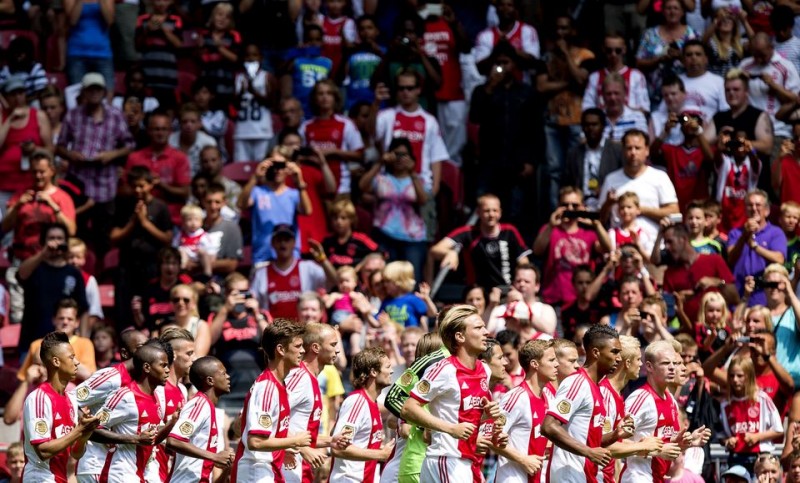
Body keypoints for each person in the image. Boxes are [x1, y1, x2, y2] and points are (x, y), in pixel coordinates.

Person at [401, 304, 501, 482]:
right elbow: (408, 408)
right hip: (445, 459)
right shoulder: (444, 369)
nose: (486, 332)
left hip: (465, 461)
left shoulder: (484, 370)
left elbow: (468, 416)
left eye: (484, 326)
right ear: (460, 336)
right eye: (478, 327)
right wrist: (450, 428)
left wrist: (487, 416)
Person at [56, 73, 135, 254]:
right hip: (79, 183)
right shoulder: (73, 115)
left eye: (97, 89)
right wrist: (70, 154)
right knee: (77, 232)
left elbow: (129, 144)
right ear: (83, 92)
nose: (94, 93)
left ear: (104, 92)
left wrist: (112, 154)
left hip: (105, 184)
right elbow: (59, 147)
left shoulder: (115, 116)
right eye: (90, 89)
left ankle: (101, 275)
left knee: (103, 236)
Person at [231, 320, 312, 481]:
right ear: (280, 349)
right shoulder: (267, 387)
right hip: (255, 471)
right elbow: (255, 441)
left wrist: (285, 447)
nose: (303, 351)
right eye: (298, 346)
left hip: (267, 469)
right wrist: (294, 441)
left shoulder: (279, 385)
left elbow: (270, 433)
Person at [468, 40, 538, 224]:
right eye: (497, 63)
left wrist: (531, 160)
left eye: (505, 62)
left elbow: (534, 129)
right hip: (489, 161)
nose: (501, 67)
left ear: (514, 64)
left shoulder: (526, 92)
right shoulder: (481, 91)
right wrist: (490, 88)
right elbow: (475, 117)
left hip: (517, 163)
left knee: (515, 213)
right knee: (484, 210)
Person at [621, 340, 712, 482]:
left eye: (673, 364)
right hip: (637, 477)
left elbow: (667, 444)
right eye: (665, 363)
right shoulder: (640, 398)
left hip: (658, 477)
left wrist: (689, 442)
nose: (672, 368)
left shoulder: (671, 401)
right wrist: (656, 451)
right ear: (649, 367)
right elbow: (616, 442)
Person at [541, 324, 620, 482]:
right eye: (614, 352)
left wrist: (615, 435)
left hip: (585, 474)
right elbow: (548, 426)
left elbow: (587, 439)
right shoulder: (577, 383)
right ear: (596, 352)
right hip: (569, 475)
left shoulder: (596, 388)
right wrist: (589, 452)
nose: (618, 358)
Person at [22, 331, 100, 482]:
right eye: (71, 357)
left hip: (61, 478)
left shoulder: (71, 399)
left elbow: (75, 454)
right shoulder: (39, 398)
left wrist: (84, 436)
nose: (77, 362)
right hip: (40, 478)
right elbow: (43, 451)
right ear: (56, 362)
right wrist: (78, 430)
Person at [95, 340, 178, 482]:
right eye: (163, 365)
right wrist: (135, 439)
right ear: (147, 367)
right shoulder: (126, 396)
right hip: (120, 474)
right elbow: (92, 430)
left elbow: (150, 441)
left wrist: (172, 423)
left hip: (139, 474)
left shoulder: (156, 397)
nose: (167, 370)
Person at [73, 329, 148, 482]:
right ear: (125, 353)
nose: (148, 352)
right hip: (96, 463)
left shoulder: (141, 382)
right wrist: (89, 425)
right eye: (141, 347)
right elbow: (69, 400)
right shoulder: (111, 377)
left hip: (119, 466)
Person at [537, 15, 595, 209]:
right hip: (552, 119)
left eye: (565, 28)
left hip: (576, 119)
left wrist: (566, 55)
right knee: (553, 170)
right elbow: (541, 87)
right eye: (558, 29)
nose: (561, 33)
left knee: (575, 169)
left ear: (573, 31)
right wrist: (568, 84)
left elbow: (581, 80)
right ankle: (557, 212)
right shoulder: (546, 56)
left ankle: (577, 210)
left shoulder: (586, 55)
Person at [284, 322, 350, 483]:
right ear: (315, 347)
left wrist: (330, 440)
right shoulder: (299, 377)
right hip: (284, 466)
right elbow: (274, 418)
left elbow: (301, 432)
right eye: (333, 344)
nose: (338, 350)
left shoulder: (312, 379)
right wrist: (303, 448)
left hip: (300, 467)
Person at [599, 129, 680, 249]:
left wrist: (640, 210)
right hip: (619, 249)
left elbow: (674, 212)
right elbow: (600, 219)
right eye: (629, 148)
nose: (633, 152)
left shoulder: (659, 177)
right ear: (622, 150)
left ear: (647, 150)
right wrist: (608, 204)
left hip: (653, 249)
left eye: (637, 148)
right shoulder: (611, 179)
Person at [359, 138, 428, 279]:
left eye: (404, 155)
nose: (400, 159)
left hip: (412, 238)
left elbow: (423, 200)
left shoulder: (419, 180)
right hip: (384, 234)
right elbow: (362, 186)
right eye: (396, 154)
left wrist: (412, 172)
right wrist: (380, 163)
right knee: (385, 277)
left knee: (411, 279)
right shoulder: (382, 179)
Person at [430, 194, 531, 289]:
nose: (491, 214)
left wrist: (520, 285)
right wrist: (450, 252)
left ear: (500, 212)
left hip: (506, 290)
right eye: (487, 211)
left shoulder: (509, 231)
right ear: (478, 213)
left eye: (494, 210)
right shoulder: (468, 233)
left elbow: (523, 262)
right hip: (478, 293)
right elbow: (435, 250)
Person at [533, 186, 611, 307]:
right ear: (558, 205)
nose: (570, 208)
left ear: (582, 206)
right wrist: (550, 225)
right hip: (554, 299)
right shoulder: (550, 229)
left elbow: (608, 248)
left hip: (582, 301)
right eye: (565, 204)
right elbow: (537, 251)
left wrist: (596, 224)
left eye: (575, 205)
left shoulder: (589, 233)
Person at [492, 340, 557, 482]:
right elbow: (490, 437)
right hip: (513, 477)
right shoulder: (516, 397)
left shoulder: (549, 396)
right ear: (535, 364)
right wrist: (523, 459)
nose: (556, 364)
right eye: (551, 360)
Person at [17, 223, 88, 352]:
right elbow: (21, 274)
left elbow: (83, 308)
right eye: (51, 238)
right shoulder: (34, 267)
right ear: (44, 241)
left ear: (65, 242)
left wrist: (82, 341)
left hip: (64, 345)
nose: (55, 242)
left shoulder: (73, 273)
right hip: (32, 341)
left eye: (60, 238)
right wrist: (44, 252)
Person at [329, 347, 394, 481]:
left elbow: (336, 434)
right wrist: (381, 454)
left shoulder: (373, 403)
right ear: (374, 372)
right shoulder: (357, 402)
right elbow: (338, 448)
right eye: (388, 367)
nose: (392, 371)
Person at [166, 356, 234, 481]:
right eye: (223, 373)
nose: (228, 376)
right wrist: (214, 457)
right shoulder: (199, 404)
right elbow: (173, 441)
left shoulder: (208, 407)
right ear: (210, 380)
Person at [238, 150, 311, 263]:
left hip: (290, 257)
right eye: (273, 165)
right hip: (262, 256)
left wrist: (299, 181)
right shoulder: (257, 192)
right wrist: (255, 178)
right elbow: (241, 205)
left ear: (287, 167)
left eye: (281, 166)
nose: (277, 170)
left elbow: (307, 211)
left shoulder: (294, 194)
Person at [739, 32, 800, 163]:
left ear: (771, 47)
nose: (759, 60)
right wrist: (740, 80)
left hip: (778, 132)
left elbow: (795, 99)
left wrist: (773, 85)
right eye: (755, 55)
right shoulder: (745, 66)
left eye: (762, 55)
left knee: (775, 177)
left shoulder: (785, 66)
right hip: (750, 131)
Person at [250, 224, 334, 319]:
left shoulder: (308, 267)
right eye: (279, 240)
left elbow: (334, 283)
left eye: (287, 240)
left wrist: (323, 260)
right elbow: (253, 302)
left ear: (294, 242)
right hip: (273, 331)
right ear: (272, 243)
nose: (283, 244)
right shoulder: (261, 273)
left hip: (305, 330)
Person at [661, 223, 738, 322]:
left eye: (670, 242)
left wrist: (718, 283)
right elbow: (668, 315)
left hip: (720, 329)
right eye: (665, 243)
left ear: (683, 239)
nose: (666, 247)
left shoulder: (714, 260)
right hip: (690, 331)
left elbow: (735, 298)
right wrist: (676, 301)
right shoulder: (669, 273)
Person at [125, 111, 191, 225]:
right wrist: (140, 185)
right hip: (138, 218)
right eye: (156, 129)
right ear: (148, 131)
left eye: (164, 129)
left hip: (171, 220)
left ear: (170, 131)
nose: (160, 133)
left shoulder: (180, 158)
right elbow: (124, 190)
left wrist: (161, 185)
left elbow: (185, 193)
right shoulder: (134, 158)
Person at [300, 78, 364, 195]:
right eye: (321, 94)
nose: (325, 97)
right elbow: (299, 155)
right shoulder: (305, 127)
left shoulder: (346, 124)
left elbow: (360, 155)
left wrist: (333, 152)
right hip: (313, 188)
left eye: (329, 93)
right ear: (314, 98)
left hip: (341, 188)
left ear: (335, 98)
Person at [721, 356, 784, 471]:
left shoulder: (762, 399)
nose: (735, 379)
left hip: (761, 456)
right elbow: (722, 436)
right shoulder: (725, 404)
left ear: (749, 376)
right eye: (731, 375)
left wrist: (756, 437)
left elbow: (778, 429)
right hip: (736, 457)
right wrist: (728, 441)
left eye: (740, 376)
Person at [0, 74, 52, 211]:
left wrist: (34, 150)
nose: (18, 98)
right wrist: (10, 119)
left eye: (20, 93)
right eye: (13, 94)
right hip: (4, 184)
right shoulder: (2, 116)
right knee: (5, 229)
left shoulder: (39, 116)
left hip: (32, 183)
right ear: (6, 97)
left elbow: (51, 150)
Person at [728, 190, 787, 306]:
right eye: (750, 205)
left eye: (758, 205)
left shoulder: (776, 233)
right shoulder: (735, 233)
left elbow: (779, 259)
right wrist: (745, 235)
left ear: (767, 210)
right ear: (745, 209)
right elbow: (730, 258)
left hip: (764, 299)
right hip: (738, 298)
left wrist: (755, 247)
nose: (754, 208)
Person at [635, 0, 698, 106]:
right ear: (663, 12)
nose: (672, 12)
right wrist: (659, 59)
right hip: (655, 97)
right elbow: (639, 63)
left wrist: (680, 57)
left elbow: (700, 65)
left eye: (675, 8)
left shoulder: (692, 34)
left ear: (682, 12)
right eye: (668, 8)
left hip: (686, 96)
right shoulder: (650, 34)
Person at [650, 110, 714, 213]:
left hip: (699, 210)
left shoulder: (705, 151)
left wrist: (698, 131)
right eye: (686, 120)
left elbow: (711, 159)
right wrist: (665, 131)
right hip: (676, 207)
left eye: (695, 121)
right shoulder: (672, 151)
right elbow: (652, 154)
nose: (690, 124)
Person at [561, 109, 623, 211]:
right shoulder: (574, 153)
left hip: (608, 208)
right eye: (586, 125)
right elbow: (567, 184)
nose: (590, 128)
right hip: (580, 208)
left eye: (594, 125)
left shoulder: (617, 150)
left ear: (603, 126)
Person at [600, 335, 641, 483]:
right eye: (638, 359)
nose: (641, 364)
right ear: (628, 363)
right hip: (594, 476)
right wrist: (643, 446)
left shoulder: (617, 395)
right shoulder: (604, 394)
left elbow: (615, 441)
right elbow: (602, 444)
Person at [708, 69, 773, 159]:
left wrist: (738, 142)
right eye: (727, 90)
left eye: (736, 89)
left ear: (746, 92)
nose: (731, 93)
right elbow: (701, 142)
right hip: (724, 171)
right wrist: (718, 138)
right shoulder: (719, 117)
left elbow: (767, 147)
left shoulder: (758, 116)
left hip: (752, 171)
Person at [582, 33, 651, 113]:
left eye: (618, 50)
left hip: (630, 122)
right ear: (603, 49)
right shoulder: (594, 77)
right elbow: (587, 107)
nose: (613, 54)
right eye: (609, 50)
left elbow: (645, 108)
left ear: (624, 49)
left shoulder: (636, 76)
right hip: (602, 123)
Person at [234, 44, 278, 162]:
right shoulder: (238, 77)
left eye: (254, 55)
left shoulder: (267, 77)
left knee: (262, 167)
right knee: (240, 167)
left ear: (261, 58)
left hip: (262, 130)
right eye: (247, 55)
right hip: (242, 130)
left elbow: (273, 104)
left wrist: (254, 92)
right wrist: (241, 93)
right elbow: (234, 106)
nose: (251, 58)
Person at [321, 199, 380, 268]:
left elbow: (380, 253)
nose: (338, 222)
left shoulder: (361, 240)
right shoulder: (327, 241)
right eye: (335, 218)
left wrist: (361, 265)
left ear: (351, 220)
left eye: (343, 218)